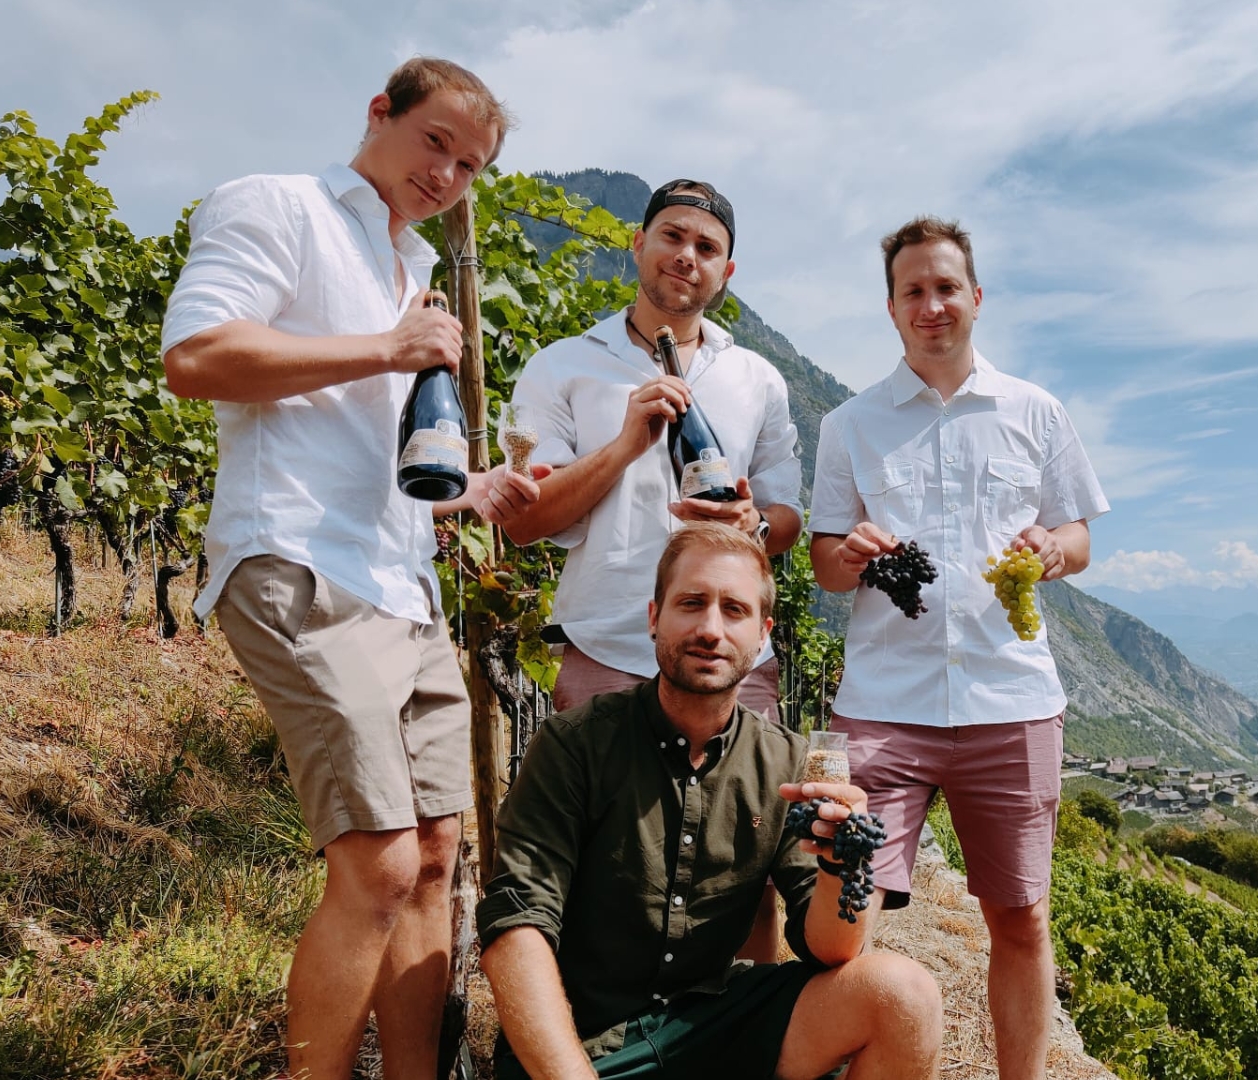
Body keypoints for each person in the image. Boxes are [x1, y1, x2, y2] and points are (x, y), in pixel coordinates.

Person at [162, 58, 542, 1080]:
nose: (447, 175)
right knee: (375, 865)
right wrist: (386, 347)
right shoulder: (277, 206)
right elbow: (196, 357)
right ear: (380, 112)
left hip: (404, 588)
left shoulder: (406, 269)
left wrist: (472, 490)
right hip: (298, 564)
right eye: (435, 143)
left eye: (468, 165)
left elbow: (365, 448)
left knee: (430, 867)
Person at [807, 216, 1108, 1080]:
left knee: (1020, 919)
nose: (932, 305)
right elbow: (827, 566)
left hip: (1009, 703)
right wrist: (851, 554)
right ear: (892, 309)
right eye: (913, 291)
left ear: (975, 297)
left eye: (946, 287)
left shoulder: (1036, 411)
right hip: (883, 708)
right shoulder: (850, 425)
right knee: (846, 917)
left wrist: (1054, 550)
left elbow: (1079, 536)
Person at [478, 523, 941, 1080]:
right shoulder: (573, 746)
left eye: (735, 610)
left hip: (709, 1027)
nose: (710, 629)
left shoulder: (785, 763)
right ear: (654, 618)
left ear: (762, 634)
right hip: (588, 1047)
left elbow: (832, 953)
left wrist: (841, 865)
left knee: (904, 995)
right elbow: (516, 929)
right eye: (691, 603)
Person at [494, 179, 802, 719]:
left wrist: (752, 522)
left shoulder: (758, 379)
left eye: (707, 248)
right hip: (605, 649)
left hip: (733, 655)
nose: (687, 256)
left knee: (745, 806)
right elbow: (523, 523)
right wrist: (624, 446)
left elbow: (789, 522)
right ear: (639, 243)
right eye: (673, 237)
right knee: (598, 806)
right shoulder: (562, 366)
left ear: (725, 272)